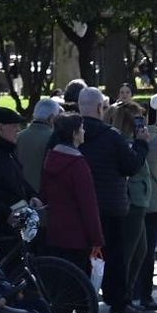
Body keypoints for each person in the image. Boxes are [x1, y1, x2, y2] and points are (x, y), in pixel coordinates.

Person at [76, 87, 146, 313]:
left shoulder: (68, 134)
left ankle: (82, 307)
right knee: (115, 257)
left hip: (81, 206)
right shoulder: (112, 136)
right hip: (111, 204)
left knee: (82, 257)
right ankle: (117, 306)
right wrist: (141, 145)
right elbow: (131, 166)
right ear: (100, 108)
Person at [40, 114, 104, 281]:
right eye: (81, 128)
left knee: (59, 281)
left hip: (54, 231)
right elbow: (88, 204)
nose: (84, 131)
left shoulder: (50, 158)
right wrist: (96, 238)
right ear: (74, 134)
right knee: (77, 282)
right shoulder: (77, 164)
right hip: (77, 235)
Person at [126, 107, 157, 311]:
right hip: (149, 200)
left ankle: (132, 292)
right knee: (146, 249)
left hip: (132, 200)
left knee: (133, 249)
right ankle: (144, 294)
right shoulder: (154, 139)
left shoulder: (118, 140)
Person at [0, 108, 39, 244]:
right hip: (0, 226)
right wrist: (6, 213)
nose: (18, 130)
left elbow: (19, 179)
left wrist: (32, 195)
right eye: (14, 126)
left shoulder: (7, 150)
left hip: (16, 221)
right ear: (0, 127)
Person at [17, 97, 60, 192]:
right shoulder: (55, 139)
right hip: (44, 193)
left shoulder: (18, 137)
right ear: (52, 118)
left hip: (21, 191)